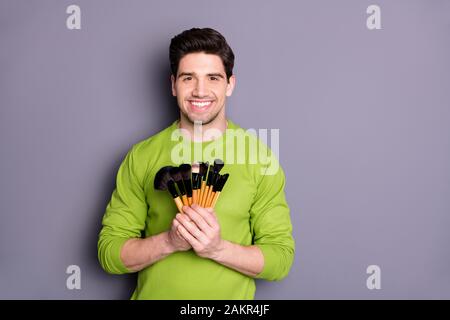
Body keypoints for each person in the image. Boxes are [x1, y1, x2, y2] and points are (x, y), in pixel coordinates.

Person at [98, 27, 295, 299]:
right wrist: (169, 241)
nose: (200, 91)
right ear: (173, 85)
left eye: (213, 78)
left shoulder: (260, 159)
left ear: (230, 84)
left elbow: (280, 259)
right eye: (188, 78)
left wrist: (216, 248)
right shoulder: (141, 156)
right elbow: (109, 253)